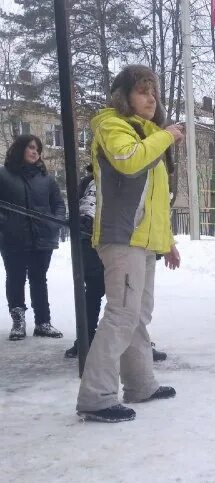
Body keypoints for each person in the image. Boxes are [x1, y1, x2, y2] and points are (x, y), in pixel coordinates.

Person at [76, 64, 183, 423]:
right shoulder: (112, 125)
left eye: (153, 92)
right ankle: (96, 397)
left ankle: (140, 384)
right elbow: (127, 161)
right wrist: (165, 137)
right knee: (121, 315)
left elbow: (155, 201)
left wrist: (166, 242)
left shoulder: (148, 134)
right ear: (124, 96)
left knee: (137, 315)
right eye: (142, 91)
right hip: (120, 237)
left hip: (143, 242)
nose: (151, 98)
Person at [64, 172, 167, 361]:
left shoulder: (139, 175)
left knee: (130, 298)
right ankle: (86, 339)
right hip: (97, 243)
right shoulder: (93, 179)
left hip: (128, 243)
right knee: (98, 292)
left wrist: (158, 242)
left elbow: (149, 212)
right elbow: (84, 211)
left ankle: (137, 344)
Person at [0, 134, 66, 341]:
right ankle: (18, 322)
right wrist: (4, 224)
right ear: (19, 149)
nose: (35, 151)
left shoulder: (46, 178)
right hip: (13, 238)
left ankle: (43, 322)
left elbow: (58, 204)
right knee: (16, 278)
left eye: (37, 148)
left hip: (42, 238)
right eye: (30, 147)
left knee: (39, 279)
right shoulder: (3, 175)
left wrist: (54, 223)